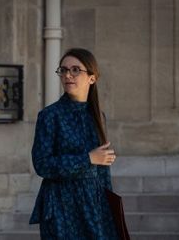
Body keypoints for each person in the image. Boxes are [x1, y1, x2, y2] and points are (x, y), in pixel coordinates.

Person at [29, 48, 120, 239]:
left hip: (93, 205)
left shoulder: (98, 117)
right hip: (61, 205)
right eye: (63, 70)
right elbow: (42, 165)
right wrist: (87, 159)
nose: (68, 75)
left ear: (92, 78)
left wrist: (110, 211)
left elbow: (103, 170)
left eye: (76, 70)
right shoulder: (49, 116)